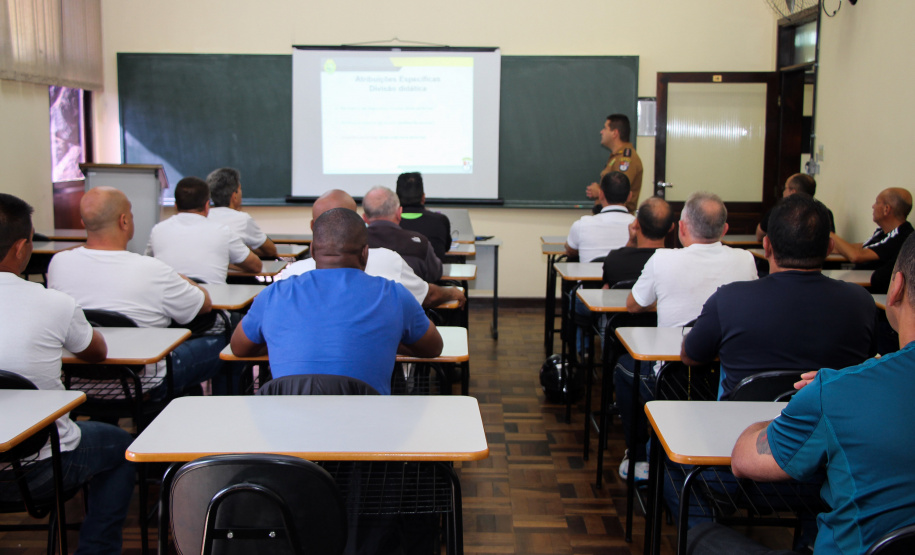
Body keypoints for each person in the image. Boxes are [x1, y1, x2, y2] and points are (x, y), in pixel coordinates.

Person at [715, 233, 915, 555]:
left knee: (702, 537)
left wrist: (814, 402)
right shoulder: (858, 305)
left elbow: (743, 459)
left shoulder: (838, 391)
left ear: (897, 287)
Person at [0, 193, 134, 555]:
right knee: (123, 446)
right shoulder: (53, 303)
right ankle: (96, 549)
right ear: (21, 248)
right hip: (35, 470)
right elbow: (96, 352)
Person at [616, 191, 758, 478]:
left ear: (681, 228)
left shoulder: (662, 260)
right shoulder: (746, 260)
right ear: (725, 230)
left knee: (624, 369)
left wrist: (663, 300)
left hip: (673, 379)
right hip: (730, 379)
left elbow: (633, 305)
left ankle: (638, 457)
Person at [231, 207, 443, 395]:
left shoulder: (273, 294)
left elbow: (239, 348)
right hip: (366, 423)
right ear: (365, 253)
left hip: (287, 424)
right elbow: (433, 347)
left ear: (312, 251)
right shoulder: (394, 295)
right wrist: (386, 341)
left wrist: (281, 342)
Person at [682, 194, 876, 400]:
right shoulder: (861, 302)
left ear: (767, 246)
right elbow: (869, 362)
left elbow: (691, 356)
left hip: (745, 419)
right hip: (832, 418)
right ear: (829, 248)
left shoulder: (728, 299)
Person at [48, 186, 231, 396]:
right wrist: (180, 277)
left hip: (78, 386)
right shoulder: (153, 270)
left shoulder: (58, 263)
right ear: (124, 221)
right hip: (144, 386)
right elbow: (204, 304)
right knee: (227, 343)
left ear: (83, 223)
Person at [276, 189, 465, 309]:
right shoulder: (388, 261)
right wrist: (452, 291)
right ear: (357, 222)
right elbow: (427, 297)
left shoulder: (292, 276)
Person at [146, 176, 261, 283]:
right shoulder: (223, 232)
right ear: (207, 206)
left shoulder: (158, 230)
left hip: (168, 297)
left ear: (175, 205)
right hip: (213, 298)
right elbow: (256, 266)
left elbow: (147, 264)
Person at [830, 187, 913, 293]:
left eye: (877, 202)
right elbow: (862, 247)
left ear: (886, 209)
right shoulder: (882, 231)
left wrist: (829, 232)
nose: (873, 206)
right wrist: (832, 246)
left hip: (872, 291)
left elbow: (856, 256)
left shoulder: (902, 236)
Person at [362, 185, 443, 282]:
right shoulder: (419, 244)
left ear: (365, 218)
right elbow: (435, 274)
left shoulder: (354, 243)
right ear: (399, 213)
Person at [601, 196, 674, 287]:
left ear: (636, 224)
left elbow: (607, 288)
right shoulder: (676, 262)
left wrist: (631, 242)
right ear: (671, 227)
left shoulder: (614, 259)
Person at [205, 167, 278, 258]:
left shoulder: (204, 217)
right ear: (234, 196)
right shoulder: (243, 219)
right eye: (240, 189)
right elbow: (271, 251)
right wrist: (243, 250)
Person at [565, 171, 635, 262]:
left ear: (601, 194)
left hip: (589, 271)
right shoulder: (638, 227)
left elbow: (570, 251)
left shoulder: (582, 225)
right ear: (630, 196)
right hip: (624, 272)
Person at [585, 114, 643, 214]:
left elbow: (619, 193)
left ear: (615, 133)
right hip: (609, 216)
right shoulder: (615, 157)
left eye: (605, 128)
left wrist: (599, 192)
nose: (601, 132)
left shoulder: (626, 159)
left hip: (618, 217)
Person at [755, 173, 835, 241]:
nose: (783, 192)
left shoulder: (778, 211)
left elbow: (759, 235)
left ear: (793, 192)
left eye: (785, 188)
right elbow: (830, 240)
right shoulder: (825, 212)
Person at [395, 172, 452, 261]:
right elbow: (446, 248)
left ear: (396, 198)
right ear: (423, 197)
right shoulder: (440, 221)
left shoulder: (390, 223)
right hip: (431, 270)